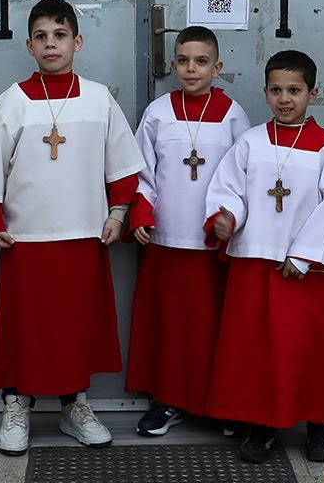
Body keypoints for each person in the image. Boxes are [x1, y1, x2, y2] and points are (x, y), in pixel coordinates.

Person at [0, 0, 145, 455]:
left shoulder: (98, 98)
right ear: (29, 45)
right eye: (42, 36)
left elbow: (122, 164)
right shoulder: (14, 102)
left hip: (83, 234)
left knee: (74, 329)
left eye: (60, 35)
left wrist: (118, 213)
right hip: (26, 238)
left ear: (77, 42)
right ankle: (16, 404)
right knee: (23, 327)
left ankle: (73, 406)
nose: (51, 44)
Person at [203, 49, 324, 464]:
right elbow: (230, 187)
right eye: (276, 90)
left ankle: (318, 425)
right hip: (255, 260)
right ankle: (261, 426)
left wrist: (302, 256)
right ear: (265, 93)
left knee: (306, 348)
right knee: (258, 349)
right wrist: (227, 216)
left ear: (312, 93)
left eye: (295, 91)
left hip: (305, 269)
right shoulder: (250, 141)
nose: (285, 99)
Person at [124, 26, 251, 436]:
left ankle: (221, 403)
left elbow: (242, 175)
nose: (190, 69)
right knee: (172, 327)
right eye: (182, 61)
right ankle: (167, 400)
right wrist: (141, 214)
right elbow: (142, 170)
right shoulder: (158, 112)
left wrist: (229, 216)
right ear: (173, 64)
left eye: (200, 61)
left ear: (218, 67)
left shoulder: (232, 114)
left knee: (213, 326)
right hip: (166, 240)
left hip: (211, 242)